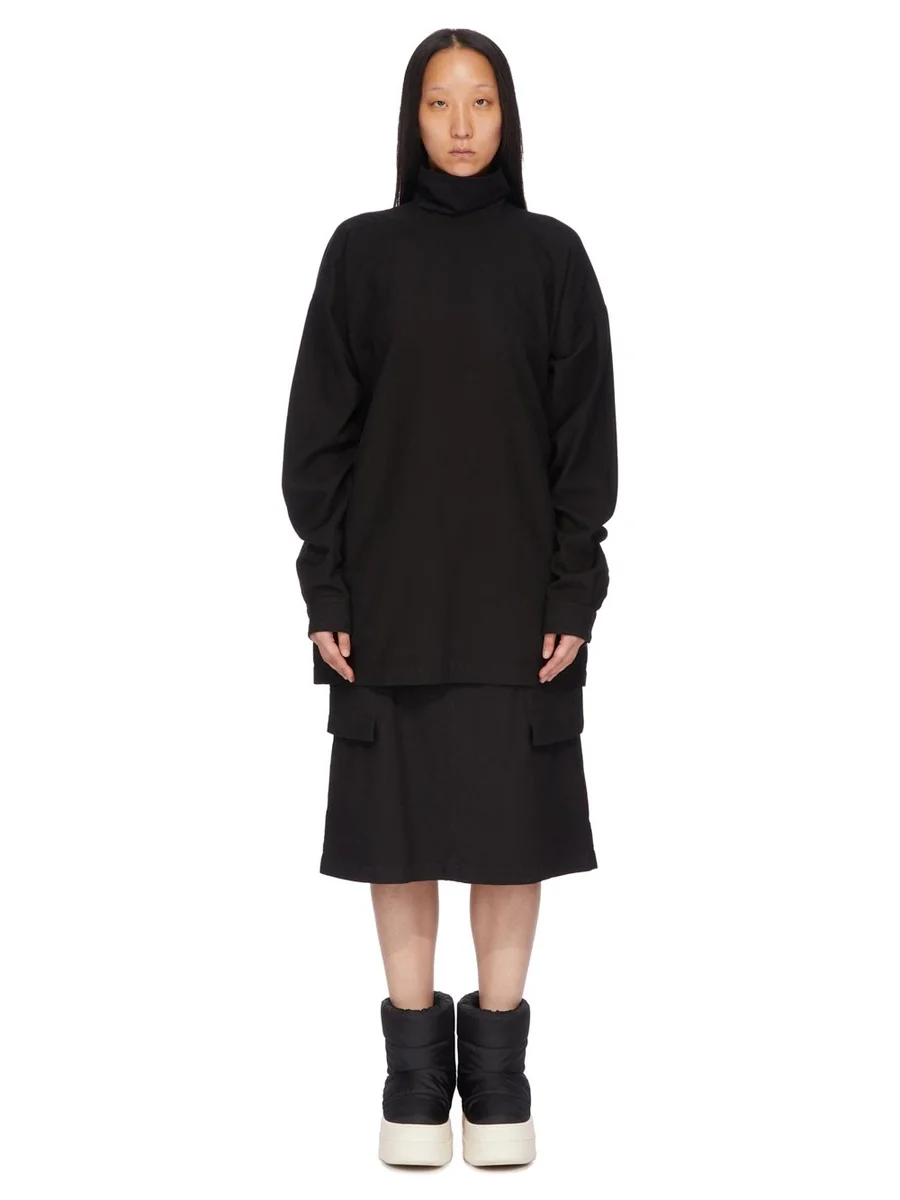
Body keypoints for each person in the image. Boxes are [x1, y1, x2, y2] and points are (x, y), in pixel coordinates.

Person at [281, 27, 617, 1168]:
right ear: (411, 117)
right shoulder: (361, 253)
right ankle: (415, 1087)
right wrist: (326, 584)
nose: (462, 124)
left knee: (512, 841)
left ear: (508, 116)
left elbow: (585, 446)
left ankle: (503, 1085)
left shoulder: (553, 257)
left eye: (481, 102)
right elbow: (317, 439)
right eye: (439, 102)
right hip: (387, 604)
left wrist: (574, 593)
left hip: (521, 610)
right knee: (400, 838)